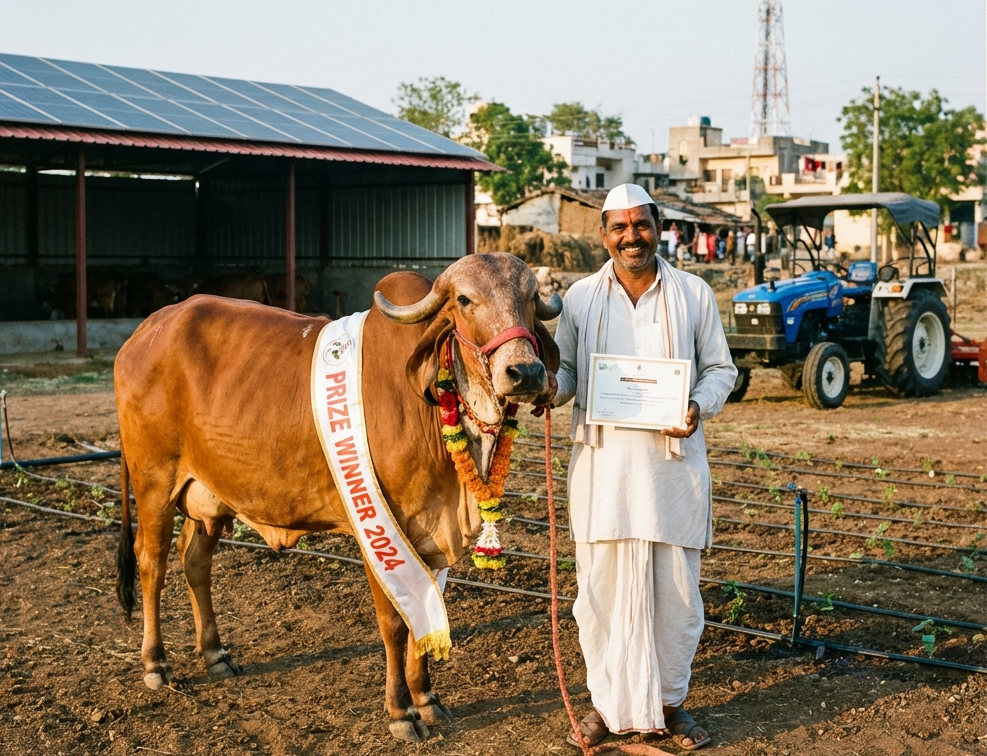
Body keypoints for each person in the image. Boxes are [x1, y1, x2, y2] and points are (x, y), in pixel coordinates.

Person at [548, 183, 737, 752]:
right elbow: (567, 375)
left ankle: (671, 705)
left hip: (670, 473)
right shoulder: (580, 298)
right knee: (598, 598)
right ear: (603, 234)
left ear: (659, 227)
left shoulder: (694, 293)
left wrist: (696, 407)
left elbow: (721, 370)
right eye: (620, 227)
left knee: (677, 599)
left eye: (641, 225)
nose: (632, 237)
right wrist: (545, 389)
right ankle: (606, 707)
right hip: (603, 472)